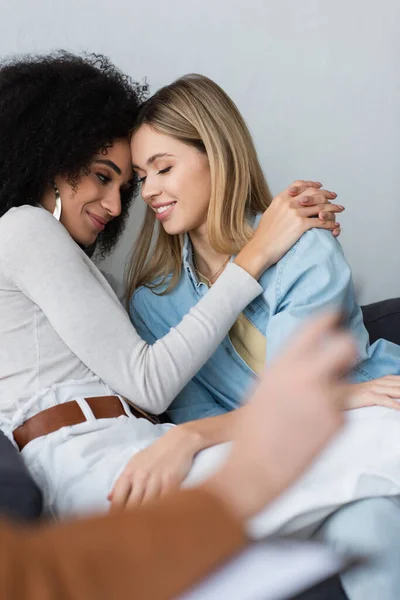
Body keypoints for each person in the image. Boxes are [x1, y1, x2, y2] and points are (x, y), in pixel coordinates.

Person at [0, 51, 342, 522]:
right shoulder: (23, 228)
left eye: (125, 188)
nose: (118, 207)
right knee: (324, 483)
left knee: (325, 484)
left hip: (139, 446)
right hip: (91, 459)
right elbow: (151, 382)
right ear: (54, 158)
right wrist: (258, 252)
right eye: (104, 177)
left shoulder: (107, 282)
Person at [126, 74, 400, 599]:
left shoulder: (305, 248)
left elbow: (290, 400)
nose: (150, 191)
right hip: (271, 463)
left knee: (367, 530)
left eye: (163, 168)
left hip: (364, 427)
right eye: (140, 177)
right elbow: (195, 415)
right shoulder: (153, 302)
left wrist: (193, 438)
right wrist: (195, 433)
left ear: (217, 155)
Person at [0, 313, 354, 600]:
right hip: (94, 458)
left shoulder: (117, 293)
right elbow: (41, 576)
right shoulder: (147, 300)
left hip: (152, 439)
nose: (115, 219)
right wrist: (236, 481)